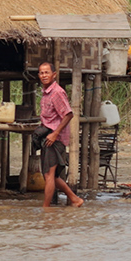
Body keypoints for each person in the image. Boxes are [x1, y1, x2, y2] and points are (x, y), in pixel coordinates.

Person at [37, 61, 84, 208]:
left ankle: (46, 209)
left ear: (54, 75)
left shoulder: (57, 92)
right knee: (52, 175)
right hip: (48, 136)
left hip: (54, 139)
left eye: (46, 72)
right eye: (41, 73)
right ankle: (75, 199)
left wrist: (55, 133)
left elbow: (68, 114)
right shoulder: (46, 93)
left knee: (49, 175)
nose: (44, 75)